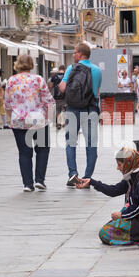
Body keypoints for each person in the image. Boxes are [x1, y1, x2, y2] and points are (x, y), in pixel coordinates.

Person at [76, 147, 139, 246]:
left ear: (128, 163)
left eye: (120, 165)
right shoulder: (133, 175)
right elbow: (114, 190)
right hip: (136, 219)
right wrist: (91, 182)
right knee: (110, 225)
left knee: (104, 232)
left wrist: (122, 216)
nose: (118, 168)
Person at [5, 55, 55, 192]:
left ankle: (27, 184)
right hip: (38, 119)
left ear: (17, 64)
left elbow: (7, 103)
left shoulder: (11, 81)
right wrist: (49, 118)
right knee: (43, 149)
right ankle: (40, 180)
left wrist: (13, 117)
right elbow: (48, 100)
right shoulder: (38, 79)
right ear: (31, 64)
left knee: (24, 152)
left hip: (19, 121)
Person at [59, 43, 103, 187]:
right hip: (91, 109)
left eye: (75, 52)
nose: (73, 55)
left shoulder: (72, 68)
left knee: (70, 142)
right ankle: (87, 177)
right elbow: (96, 93)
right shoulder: (97, 70)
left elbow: (63, 88)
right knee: (91, 144)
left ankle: (73, 174)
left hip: (73, 109)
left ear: (80, 54)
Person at [49, 65, 66, 130]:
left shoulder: (54, 76)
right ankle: (64, 123)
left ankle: (58, 124)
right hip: (65, 96)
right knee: (64, 109)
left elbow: (50, 86)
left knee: (58, 110)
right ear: (64, 69)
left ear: (59, 69)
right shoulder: (66, 76)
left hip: (57, 96)